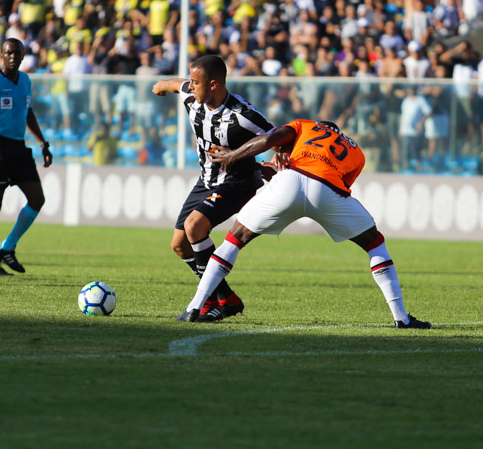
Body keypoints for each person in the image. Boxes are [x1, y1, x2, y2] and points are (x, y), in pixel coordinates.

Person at [181, 120, 431, 329]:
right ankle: (401, 318)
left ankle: (194, 307)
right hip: (327, 190)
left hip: (289, 182)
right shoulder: (357, 152)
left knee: (234, 240)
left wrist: (234, 156)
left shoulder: (306, 125)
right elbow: (331, 180)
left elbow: (271, 140)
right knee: (375, 244)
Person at [152, 55, 276, 321]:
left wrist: (273, 160)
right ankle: (225, 298)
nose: (190, 86)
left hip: (238, 182)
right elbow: (177, 85)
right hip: (206, 181)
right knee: (179, 245)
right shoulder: (193, 97)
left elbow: (276, 137)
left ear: (214, 84)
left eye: (196, 83)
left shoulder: (242, 115)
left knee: (195, 226)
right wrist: (161, 84)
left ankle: (209, 301)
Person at [0, 38, 52, 277]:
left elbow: (28, 112)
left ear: (23, 55)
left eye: (17, 53)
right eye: (8, 53)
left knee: (37, 198)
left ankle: (7, 247)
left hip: (18, 146)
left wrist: (42, 143)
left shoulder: (25, 80)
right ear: (1, 56)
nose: (13, 56)